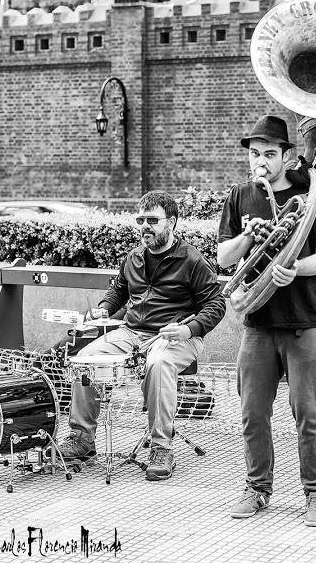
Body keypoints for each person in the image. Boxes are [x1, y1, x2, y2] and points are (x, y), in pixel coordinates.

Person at [217, 115, 316, 527]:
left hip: (306, 320)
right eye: (255, 154)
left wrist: (298, 268)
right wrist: (251, 237)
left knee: (308, 413)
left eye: (270, 154)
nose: (261, 163)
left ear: (287, 156)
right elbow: (224, 258)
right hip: (259, 320)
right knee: (252, 413)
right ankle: (257, 488)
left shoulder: (312, 194)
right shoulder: (239, 196)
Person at [58, 190, 226, 481]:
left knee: (158, 364)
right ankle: (83, 440)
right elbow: (118, 292)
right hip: (132, 331)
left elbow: (216, 304)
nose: (145, 226)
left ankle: (162, 448)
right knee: (86, 360)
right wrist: (103, 309)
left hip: (177, 335)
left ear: (171, 223)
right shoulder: (133, 257)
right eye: (141, 220)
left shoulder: (193, 260)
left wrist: (188, 329)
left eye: (153, 220)